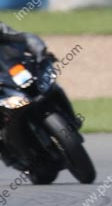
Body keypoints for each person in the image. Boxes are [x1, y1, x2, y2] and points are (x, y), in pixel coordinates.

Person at [0, 21, 80, 164]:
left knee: (53, 86)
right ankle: (9, 154)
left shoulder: (2, 30)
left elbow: (25, 37)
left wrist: (40, 51)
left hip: (14, 76)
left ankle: (71, 119)